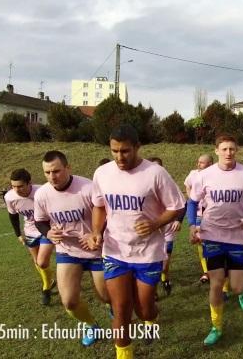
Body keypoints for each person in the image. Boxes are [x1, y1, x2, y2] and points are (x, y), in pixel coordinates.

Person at [89, 124, 185, 359]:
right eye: (114, 151)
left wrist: (154, 223)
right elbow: (99, 205)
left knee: (144, 310)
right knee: (120, 309)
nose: (119, 157)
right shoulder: (102, 173)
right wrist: (96, 231)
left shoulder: (155, 173)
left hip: (148, 253)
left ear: (137, 147)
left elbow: (177, 206)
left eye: (125, 151)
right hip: (115, 251)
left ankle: (151, 318)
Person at [187, 134, 243, 346]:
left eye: (232, 149)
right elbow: (192, 202)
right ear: (216, 151)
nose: (228, 152)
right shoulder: (205, 175)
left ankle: (241, 289)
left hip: (238, 236)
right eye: (224, 149)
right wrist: (193, 225)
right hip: (212, 233)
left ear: (236, 150)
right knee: (216, 283)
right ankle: (216, 327)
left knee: (238, 286)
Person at [34, 150, 109, 347]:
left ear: (68, 167)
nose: (52, 177)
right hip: (68, 252)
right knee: (69, 302)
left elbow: (108, 216)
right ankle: (92, 326)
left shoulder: (87, 188)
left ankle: (114, 308)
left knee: (106, 297)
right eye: (47, 173)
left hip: (97, 251)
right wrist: (48, 233)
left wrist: (96, 233)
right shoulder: (42, 194)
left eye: (56, 171)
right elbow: (40, 221)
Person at [4, 168, 55, 305]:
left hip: (47, 229)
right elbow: (13, 216)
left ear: (29, 183)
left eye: (20, 186)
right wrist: (18, 234)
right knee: (37, 261)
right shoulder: (9, 197)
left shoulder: (43, 191)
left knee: (42, 261)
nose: (17, 189)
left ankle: (46, 289)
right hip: (30, 231)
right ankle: (49, 281)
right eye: (13, 186)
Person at [148, 155, 182, 296]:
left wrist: (178, 220)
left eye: (158, 167)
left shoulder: (169, 183)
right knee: (152, 261)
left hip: (167, 228)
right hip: (151, 230)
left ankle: (165, 278)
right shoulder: (143, 184)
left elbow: (182, 204)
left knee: (165, 260)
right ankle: (152, 289)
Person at [184, 154, 214, 283]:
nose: (198, 164)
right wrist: (193, 198)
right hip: (198, 213)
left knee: (212, 242)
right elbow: (187, 185)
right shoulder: (193, 174)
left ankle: (216, 269)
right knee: (200, 241)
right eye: (198, 162)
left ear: (210, 164)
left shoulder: (215, 175)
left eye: (202, 163)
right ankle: (206, 271)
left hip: (213, 214)